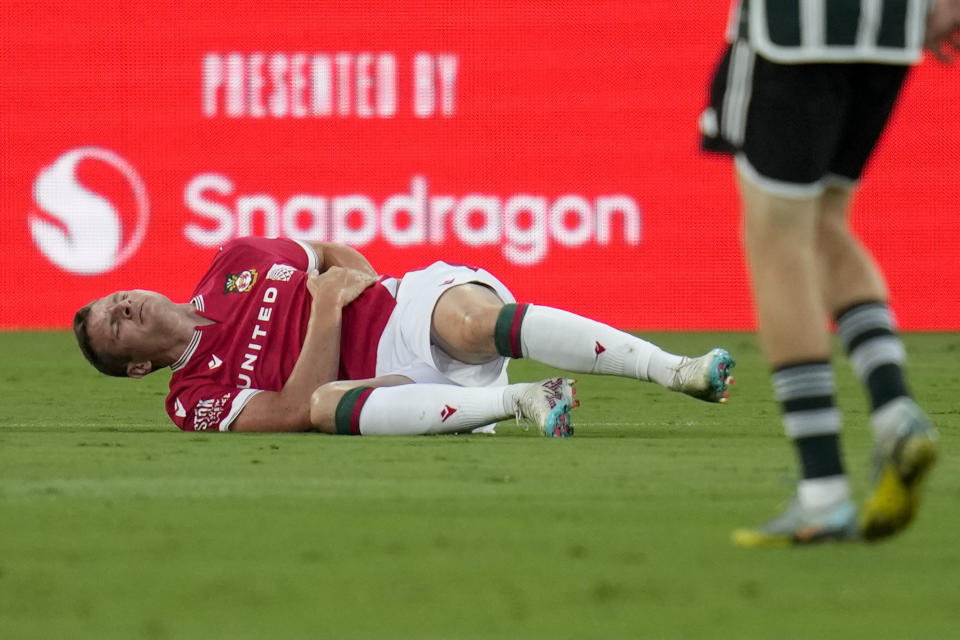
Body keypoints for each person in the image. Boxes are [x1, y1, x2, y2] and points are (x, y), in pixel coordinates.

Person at [701, 0, 959, 546]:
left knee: (777, 236)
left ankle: (823, 491)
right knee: (824, 220)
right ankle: (893, 411)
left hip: (795, 28)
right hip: (889, 29)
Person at [73, 236, 735, 437]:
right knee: (329, 408)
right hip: (379, 388)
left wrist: (358, 287)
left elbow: (333, 253)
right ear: (135, 367)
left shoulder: (234, 261)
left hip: (401, 311)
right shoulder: (192, 397)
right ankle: (527, 400)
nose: (123, 305)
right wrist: (327, 310)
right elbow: (293, 410)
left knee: (475, 324)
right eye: (114, 323)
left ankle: (676, 370)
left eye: (116, 298)